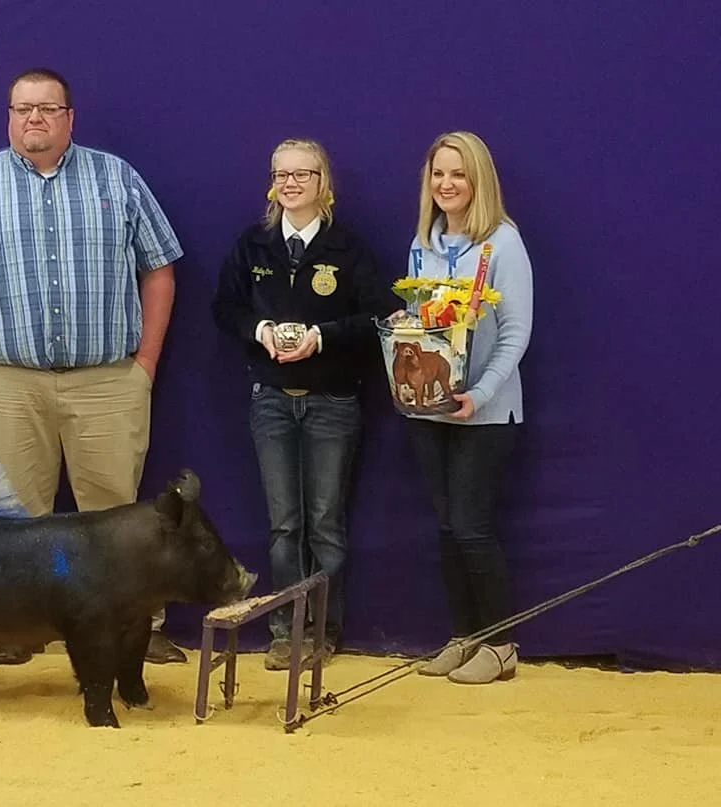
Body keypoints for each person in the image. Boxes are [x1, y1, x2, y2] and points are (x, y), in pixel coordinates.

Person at [0, 67, 188, 665]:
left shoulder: (119, 178)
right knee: (10, 517)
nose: (36, 118)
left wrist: (146, 363)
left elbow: (159, 270)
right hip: (2, 382)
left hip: (107, 380)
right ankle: (17, 629)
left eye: (48, 108)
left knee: (117, 514)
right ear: (8, 116)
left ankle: (135, 627)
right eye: (24, 108)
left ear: (69, 118)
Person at [212, 138, 397, 670]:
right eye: (281, 174)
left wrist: (323, 337)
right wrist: (260, 329)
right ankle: (283, 630)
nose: (291, 183)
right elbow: (224, 308)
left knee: (325, 523)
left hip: (333, 402)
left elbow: (379, 316)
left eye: (303, 174)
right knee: (284, 525)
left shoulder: (348, 250)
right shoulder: (254, 247)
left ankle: (323, 631)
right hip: (270, 400)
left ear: (324, 183)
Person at [404, 131, 533, 684]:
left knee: (473, 526)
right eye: (438, 174)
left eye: (458, 174)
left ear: (478, 181)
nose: (446, 184)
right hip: (429, 411)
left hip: (485, 411)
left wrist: (478, 394)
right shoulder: (422, 243)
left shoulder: (502, 243)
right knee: (447, 528)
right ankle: (465, 635)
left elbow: (516, 333)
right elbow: (414, 321)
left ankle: (502, 644)